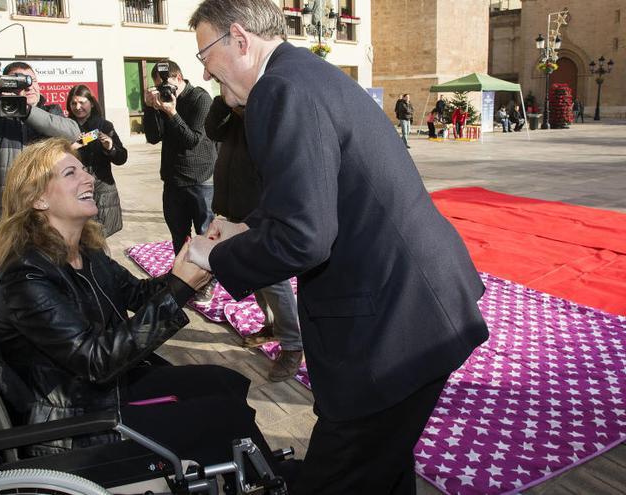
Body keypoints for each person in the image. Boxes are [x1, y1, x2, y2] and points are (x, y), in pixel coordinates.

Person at [187, 1, 489, 493]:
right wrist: (246, 228)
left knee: (339, 477)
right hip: (413, 308)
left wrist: (213, 256)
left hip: (390, 330)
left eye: (205, 54)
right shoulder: (304, 74)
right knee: (382, 472)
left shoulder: (277, 91)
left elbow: (304, 237)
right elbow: (316, 191)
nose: (204, 69)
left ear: (239, 40)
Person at [0, 137, 277, 469]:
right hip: (81, 420)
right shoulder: (26, 276)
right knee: (225, 415)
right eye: (71, 173)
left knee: (226, 382)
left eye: (85, 169)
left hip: (106, 390)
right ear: (38, 198)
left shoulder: (86, 252)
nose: (89, 178)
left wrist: (194, 264)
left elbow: (139, 295)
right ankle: (270, 477)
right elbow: (96, 360)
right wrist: (180, 288)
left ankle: (252, 473)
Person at [205, 95, 303, 381]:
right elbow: (212, 130)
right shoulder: (226, 101)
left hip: (261, 207)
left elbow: (271, 138)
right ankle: (271, 325)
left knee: (273, 278)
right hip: (234, 204)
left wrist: (245, 104)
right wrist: (225, 101)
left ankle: (293, 345)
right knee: (251, 273)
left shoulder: (266, 100)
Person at [0, 61, 81, 224]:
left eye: (32, 80)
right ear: (5, 87)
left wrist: (27, 111)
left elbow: (72, 133)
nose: (29, 86)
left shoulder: (51, 112)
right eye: (20, 81)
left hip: (51, 210)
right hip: (10, 214)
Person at [142, 60, 217, 254]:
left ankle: (207, 277)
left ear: (179, 78)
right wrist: (150, 108)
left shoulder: (200, 99)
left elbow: (192, 141)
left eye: (166, 85)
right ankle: (184, 279)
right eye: (159, 87)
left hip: (200, 179)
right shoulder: (163, 101)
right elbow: (153, 137)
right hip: (173, 180)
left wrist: (172, 113)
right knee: (179, 235)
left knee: (205, 234)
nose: (164, 90)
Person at [66, 84, 128, 237]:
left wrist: (110, 147)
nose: (78, 107)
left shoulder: (104, 126)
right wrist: (70, 148)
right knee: (77, 239)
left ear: (91, 103)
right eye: (73, 103)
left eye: (82, 102)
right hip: (74, 190)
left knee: (100, 240)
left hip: (103, 192)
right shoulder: (65, 127)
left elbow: (122, 158)